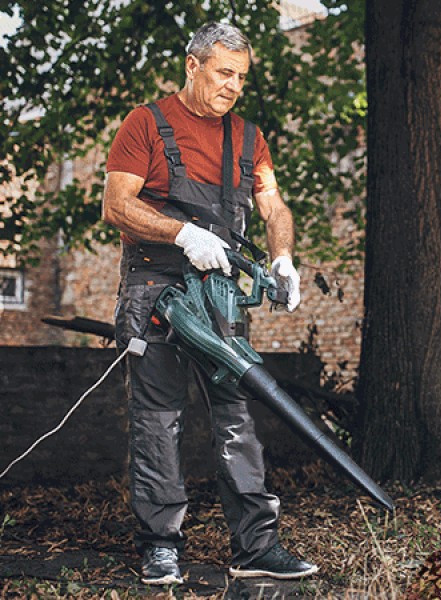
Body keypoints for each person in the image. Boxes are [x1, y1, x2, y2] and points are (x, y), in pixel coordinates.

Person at [102, 22, 318, 585]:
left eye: (241, 78)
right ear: (193, 65)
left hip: (219, 296)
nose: (232, 87)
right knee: (158, 420)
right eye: (224, 73)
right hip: (156, 287)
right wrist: (181, 234)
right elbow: (117, 205)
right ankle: (160, 546)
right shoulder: (145, 124)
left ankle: (256, 547)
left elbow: (274, 208)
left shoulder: (247, 139)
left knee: (236, 416)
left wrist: (283, 260)